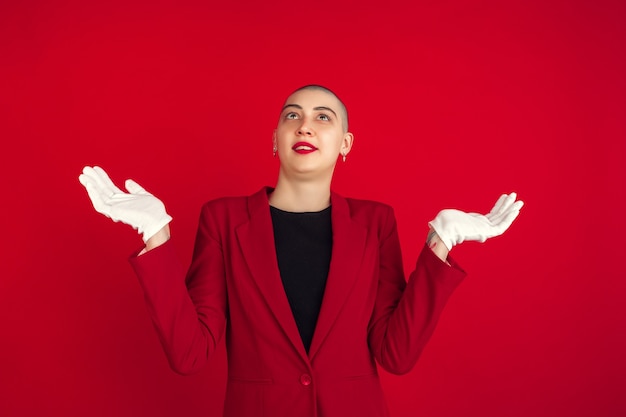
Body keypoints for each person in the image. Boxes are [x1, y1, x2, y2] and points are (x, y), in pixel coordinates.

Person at [78, 85, 523, 417]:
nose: (305, 124)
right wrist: (156, 234)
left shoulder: (375, 222)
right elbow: (190, 353)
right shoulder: (224, 220)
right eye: (293, 115)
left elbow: (396, 354)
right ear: (275, 139)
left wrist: (440, 244)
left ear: (345, 145)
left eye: (323, 117)